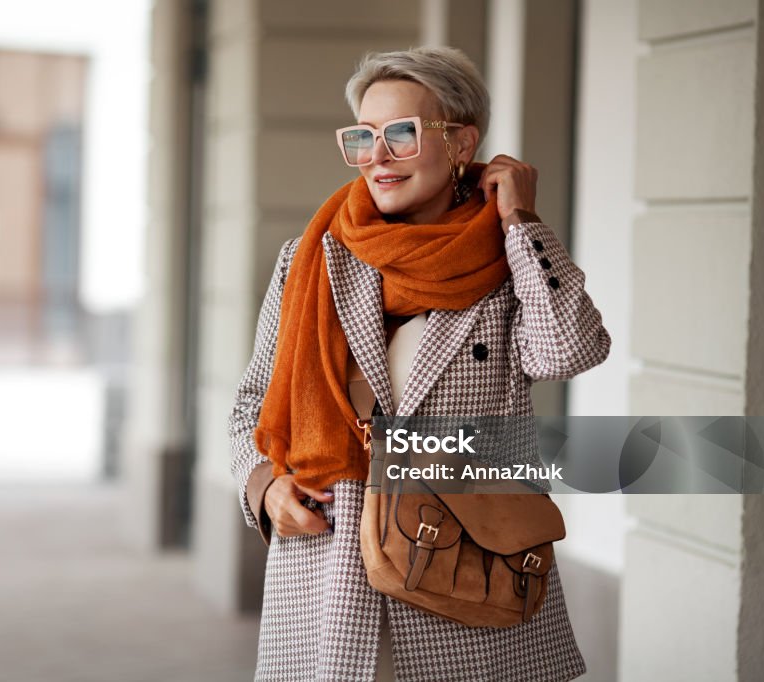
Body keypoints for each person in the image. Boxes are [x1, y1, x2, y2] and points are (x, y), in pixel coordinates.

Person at [229, 46, 610, 681]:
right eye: (363, 137)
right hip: (333, 570)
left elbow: (571, 350)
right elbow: (250, 407)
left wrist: (522, 220)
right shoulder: (314, 260)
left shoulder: (509, 260)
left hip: (469, 568)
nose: (377, 156)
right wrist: (264, 486)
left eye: (402, 134)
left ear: (462, 143)